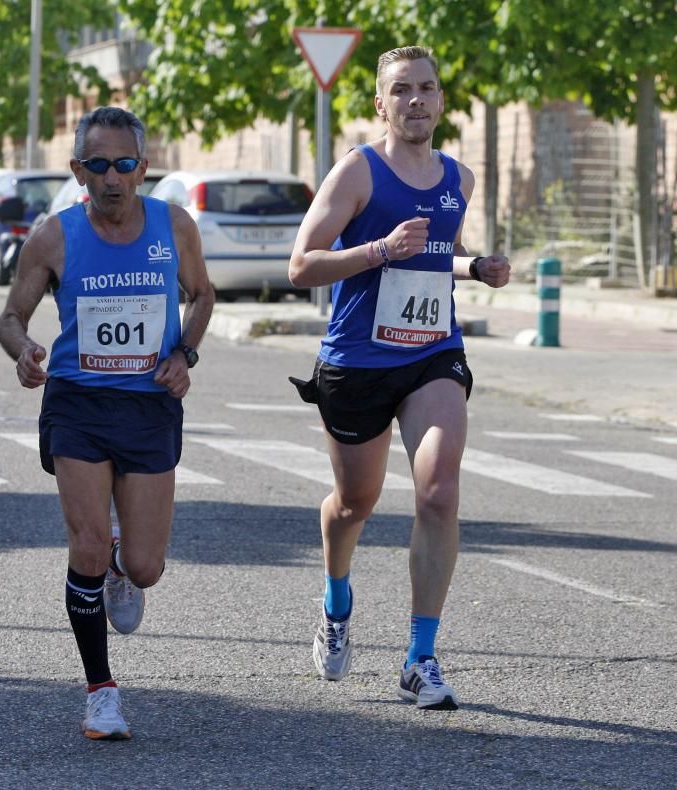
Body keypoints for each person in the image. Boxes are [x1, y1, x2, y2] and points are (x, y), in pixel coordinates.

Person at [288, 46, 511, 711]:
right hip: (357, 361)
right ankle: (336, 597)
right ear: (380, 105)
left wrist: (476, 269)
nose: (417, 100)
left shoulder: (459, 179)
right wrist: (378, 250)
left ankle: (420, 656)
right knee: (355, 503)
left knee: (439, 492)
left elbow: (436, 259)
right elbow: (302, 266)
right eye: (403, 90)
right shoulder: (357, 172)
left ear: (442, 102)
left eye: (429, 89)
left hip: (431, 351)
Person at [0, 106, 214, 740]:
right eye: (97, 165)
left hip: (148, 405)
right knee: (84, 545)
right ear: (78, 170)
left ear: (143, 168)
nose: (111, 178)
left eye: (124, 165)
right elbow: (10, 317)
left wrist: (185, 353)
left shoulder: (175, 227)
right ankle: (100, 693)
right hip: (78, 403)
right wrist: (25, 350)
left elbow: (202, 295)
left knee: (145, 567)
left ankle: (122, 562)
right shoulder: (54, 236)